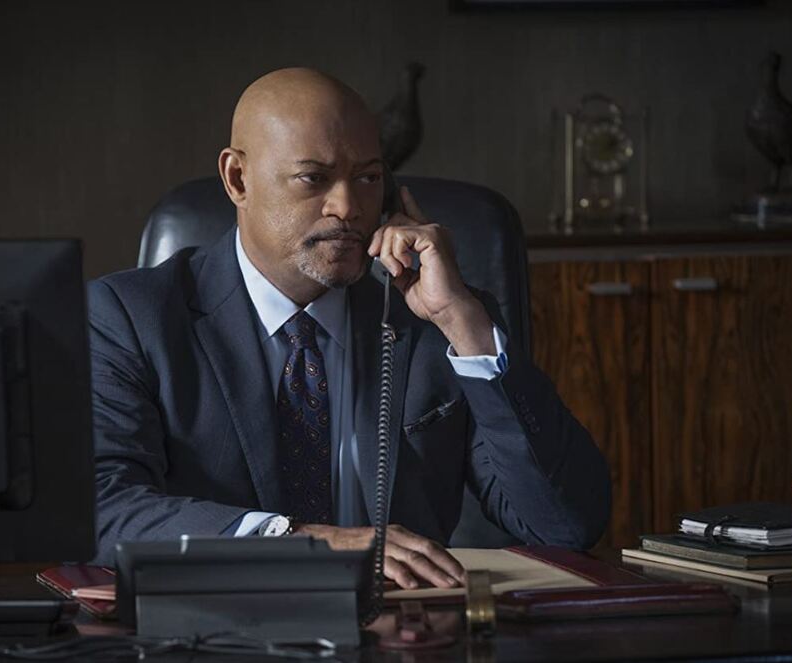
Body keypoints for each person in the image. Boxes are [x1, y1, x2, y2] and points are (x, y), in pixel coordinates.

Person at [88, 68, 610, 589]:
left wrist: (463, 321)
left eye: (368, 178)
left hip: (409, 624)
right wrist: (297, 543)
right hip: (220, 622)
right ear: (238, 179)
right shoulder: (129, 318)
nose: (348, 208)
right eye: (313, 178)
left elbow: (564, 525)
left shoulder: (433, 318)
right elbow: (105, 510)